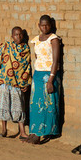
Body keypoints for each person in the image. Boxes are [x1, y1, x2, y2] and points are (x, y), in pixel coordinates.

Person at [24, 15, 63, 145]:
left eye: (47, 25)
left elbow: (56, 60)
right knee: (35, 105)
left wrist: (51, 80)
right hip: (38, 75)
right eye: (42, 25)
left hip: (49, 75)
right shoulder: (36, 40)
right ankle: (33, 131)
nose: (44, 27)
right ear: (38, 25)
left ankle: (42, 133)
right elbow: (37, 57)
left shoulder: (54, 39)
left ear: (51, 25)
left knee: (47, 105)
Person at [0, 27, 33, 138]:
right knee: (4, 105)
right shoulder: (6, 46)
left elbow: (27, 67)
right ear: (12, 36)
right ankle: (4, 130)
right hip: (5, 82)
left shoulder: (26, 50)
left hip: (17, 84)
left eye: (20, 34)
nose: (18, 37)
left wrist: (26, 82)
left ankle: (22, 132)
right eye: (16, 35)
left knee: (19, 107)